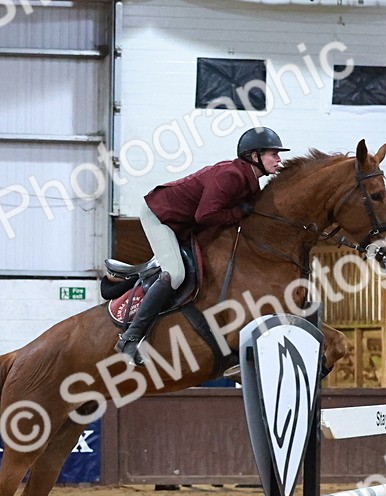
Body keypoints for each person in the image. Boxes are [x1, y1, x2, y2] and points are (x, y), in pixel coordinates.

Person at [109, 127, 289, 362]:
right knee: (174, 274)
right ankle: (130, 338)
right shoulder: (231, 175)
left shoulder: (251, 182)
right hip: (160, 216)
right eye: (273, 154)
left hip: (184, 224)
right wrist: (237, 213)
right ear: (254, 156)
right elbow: (205, 215)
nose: (278, 159)